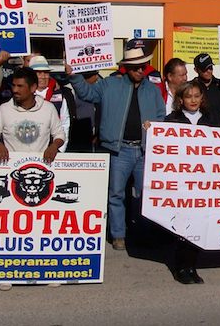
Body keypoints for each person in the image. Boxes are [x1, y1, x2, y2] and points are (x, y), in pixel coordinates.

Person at [66, 47, 165, 251]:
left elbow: (161, 114)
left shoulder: (153, 90)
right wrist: (74, 76)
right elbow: (87, 93)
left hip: (144, 149)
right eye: (136, 67)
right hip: (119, 150)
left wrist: (154, 126)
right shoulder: (110, 84)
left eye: (143, 67)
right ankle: (118, 234)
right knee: (116, 193)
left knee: (144, 195)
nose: (140, 71)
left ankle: (141, 232)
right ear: (126, 68)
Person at [163, 80, 219, 284]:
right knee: (182, 225)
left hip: (203, 181)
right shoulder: (172, 120)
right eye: (189, 96)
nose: (193, 100)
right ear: (180, 100)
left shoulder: (210, 119)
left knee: (198, 225)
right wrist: (151, 128)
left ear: (202, 98)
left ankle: (192, 266)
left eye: (197, 96)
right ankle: (180, 267)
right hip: (182, 181)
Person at [0, 66, 65, 164]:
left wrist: (54, 146)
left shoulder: (48, 108)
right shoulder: (4, 109)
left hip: (41, 164)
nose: (15, 90)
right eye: (13, 85)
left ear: (33, 88)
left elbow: (60, 134)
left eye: (20, 86)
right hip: (11, 166)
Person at [29, 56, 75, 151]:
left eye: (46, 73)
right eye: (39, 73)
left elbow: (64, 123)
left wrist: (61, 149)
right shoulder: (24, 95)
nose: (43, 76)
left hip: (53, 147)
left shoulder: (59, 95)